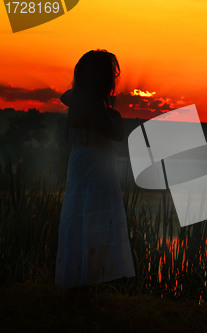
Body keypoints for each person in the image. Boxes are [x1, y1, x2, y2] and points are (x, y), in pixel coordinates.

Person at [55, 50, 135, 304]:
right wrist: (109, 114)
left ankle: (82, 287)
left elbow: (66, 96)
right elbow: (117, 133)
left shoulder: (81, 105)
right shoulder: (92, 111)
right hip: (94, 172)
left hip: (85, 168)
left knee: (83, 223)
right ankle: (82, 287)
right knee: (90, 223)